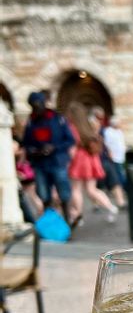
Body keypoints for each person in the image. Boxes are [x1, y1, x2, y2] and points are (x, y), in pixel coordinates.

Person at [21, 90, 75, 224]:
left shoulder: (57, 119)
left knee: (64, 193)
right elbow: (26, 143)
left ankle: (67, 220)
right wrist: (32, 150)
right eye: (33, 106)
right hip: (40, 164)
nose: (36, 108)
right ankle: (49, 223)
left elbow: (70, 140)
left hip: (57, 161)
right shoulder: (31, 122)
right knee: (44, 195)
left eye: (38, 105)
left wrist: (54, 147)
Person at [67, 103, 119, 226]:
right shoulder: (90, 125)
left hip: (79, 161)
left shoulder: (72, 127)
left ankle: (78, 217)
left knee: (76, 189)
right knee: (92, 189)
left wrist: (68, 161)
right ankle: (111, 207)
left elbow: (72, 148)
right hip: (92, 159)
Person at [102, 116, 128, 202]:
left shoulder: (119, 131)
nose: (121, 124)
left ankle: (122, 190)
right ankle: (122, 191)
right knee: (119, 175)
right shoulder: (108, 132)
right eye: (120, 123)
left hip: (121, 157)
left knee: (121, 173)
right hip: (114, 158)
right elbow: (107, 144)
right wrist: (110, 154)